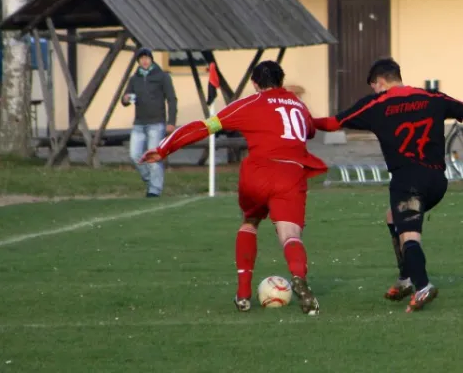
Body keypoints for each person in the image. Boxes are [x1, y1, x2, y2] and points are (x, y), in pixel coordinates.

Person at [139, 61, 327, 315]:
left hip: (258, 172)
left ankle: (243, 294)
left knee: (249, 222)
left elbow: (205, 127)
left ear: (254, 83)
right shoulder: (299, 105)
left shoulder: (250, 104)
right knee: (290, 235)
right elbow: (310, 130)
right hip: (291, 174)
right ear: (281, 82)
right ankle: (299, 278)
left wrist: (164, 149)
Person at [313, 58, 463, 313]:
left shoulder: (376, 104)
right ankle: (405, 278)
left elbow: (332, 124)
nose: (374, 91)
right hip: (437, 181)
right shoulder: (432, 97)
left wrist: (302, 121)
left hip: (407, 181)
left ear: (379, 82)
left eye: (374, 87)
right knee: (393, 218)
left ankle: (422, 286)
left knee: (409, 235)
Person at [121, 47, 178, 198]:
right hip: (139, 123)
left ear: (151, 59)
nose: (144, 61)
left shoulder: (162, 77)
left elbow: (171, 99)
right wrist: (125, 99)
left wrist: (171, 121)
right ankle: (150, 180)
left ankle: (154, 190)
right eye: (141, 59)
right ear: (138, 61)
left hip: (157, 123)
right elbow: (126, 98)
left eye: (147, 58)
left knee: (153, 157)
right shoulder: (134, 79)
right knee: (134, 155)